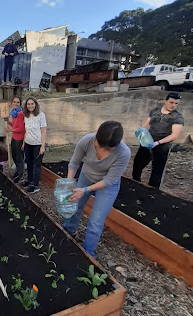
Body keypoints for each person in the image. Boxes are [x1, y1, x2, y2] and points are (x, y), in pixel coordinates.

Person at [62, 121, 131, 257]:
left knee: (96, 220)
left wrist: (85, 190)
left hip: (107, 185)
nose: (102, 152)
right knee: (74, 204)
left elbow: (110, 180)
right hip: (86, 176)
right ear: (96, 139)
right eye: (100, 146)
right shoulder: (86, 141)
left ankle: (88, 254)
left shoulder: (124, 153)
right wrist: (69, 183)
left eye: (108, 149)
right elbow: (74, 163)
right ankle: (68, 230)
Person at [132, 93, 184, 188]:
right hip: (147, 142)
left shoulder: (177, 117)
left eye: (176, 103)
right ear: (165, 101)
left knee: (157, 170)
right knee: (137, 164)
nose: (173, 105)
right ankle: (135, 183)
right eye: (171, 102)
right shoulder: (155, 111)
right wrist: (141, 132)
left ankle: (153, 191)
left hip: (162, 146)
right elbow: (146, 124)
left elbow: (174, 135)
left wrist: (158, 142)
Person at [22, 97, 47, 194]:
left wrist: (42, 146)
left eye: (32, 104)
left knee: (37, 165)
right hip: (28, 143)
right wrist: (24, 143)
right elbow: (26, 130)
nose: (30, 106)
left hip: (37, 144)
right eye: (28, 104)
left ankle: (35, 185)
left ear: (35, 104)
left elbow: (43, 131)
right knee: (29, 163)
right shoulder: (26, 115)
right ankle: (29, 180)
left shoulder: (41, 115)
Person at [5, 96, 25, 183]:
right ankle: (18, 171)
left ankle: (20, 175)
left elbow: (21, 129)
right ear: (12, 103)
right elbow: (15, 125)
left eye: (17, 102)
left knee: (19, 157)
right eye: (14, 102)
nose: (15, 103)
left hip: (19, 139)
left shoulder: (20, 113)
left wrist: (10, 130)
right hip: (14, 138)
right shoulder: (14, 113)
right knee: (14, 156)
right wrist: (8, 122)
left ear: (20, 104)